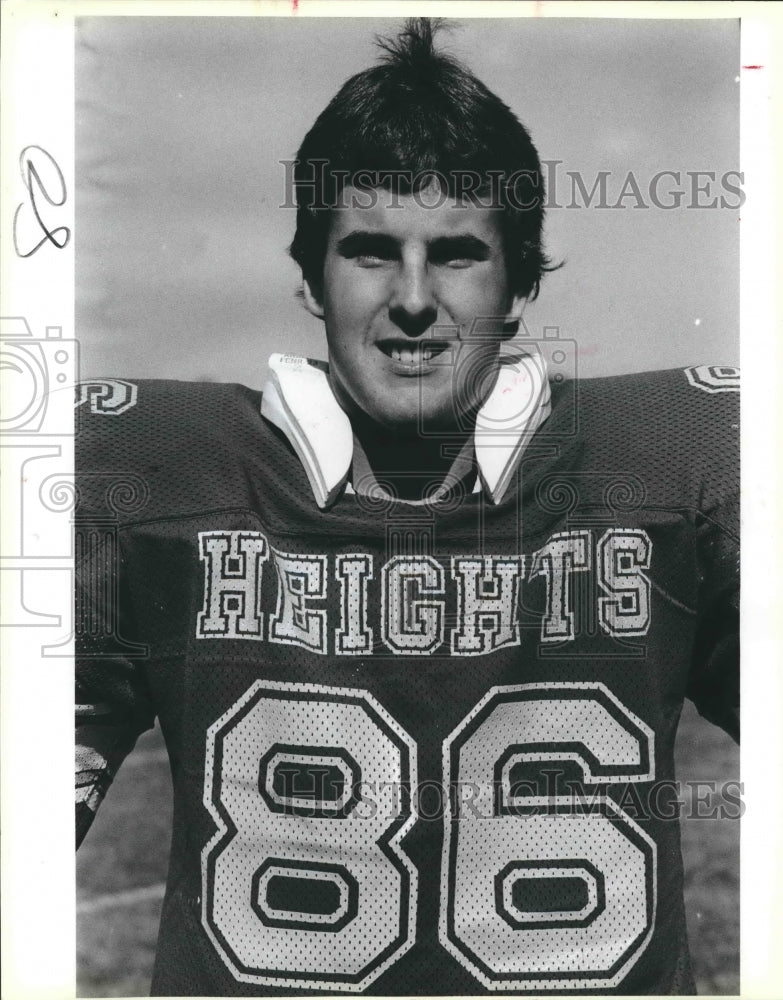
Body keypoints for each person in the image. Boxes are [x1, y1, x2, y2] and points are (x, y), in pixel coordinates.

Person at [75, 18, 739, 996]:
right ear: (311, 275)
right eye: (373, 250)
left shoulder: (678, 465)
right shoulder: (156, 479)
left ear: (519, 284)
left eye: (459, 252)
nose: (415, 298)